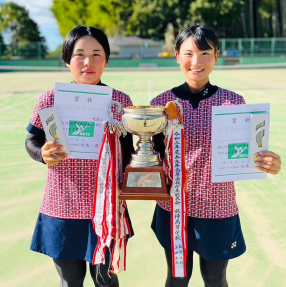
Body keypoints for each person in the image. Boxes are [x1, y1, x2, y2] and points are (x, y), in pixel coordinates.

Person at [151, 25, 282, 287]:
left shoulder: (234, 103)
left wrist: (268, 162)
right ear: (177, 56)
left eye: (205, 53)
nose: (196, 61)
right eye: (188, 53)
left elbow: (250, 152)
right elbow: (152, 154)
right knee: (177, 279)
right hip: (174, 208)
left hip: (217, 208)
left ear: (217, 55)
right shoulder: (160, 104)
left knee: (214, 278)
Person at [25, 26, 134, 287]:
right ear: (67, 60)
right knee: (70, 281)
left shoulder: (120, 102)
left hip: (107, 208)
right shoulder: (49, 100)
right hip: (62, 206)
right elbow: (32, 140)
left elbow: (131, 151)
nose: (88, 62)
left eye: (97, 54)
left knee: (106, 281)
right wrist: (42, 154)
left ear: (106, 60)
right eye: (79, 54)